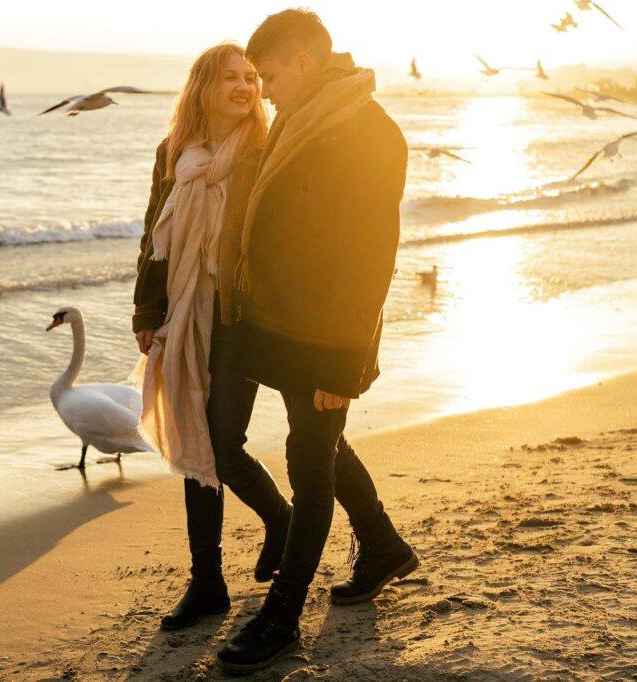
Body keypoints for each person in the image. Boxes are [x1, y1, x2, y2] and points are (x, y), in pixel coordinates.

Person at [215, 10, 418, 673]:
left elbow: (370, 257)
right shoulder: (307, 121)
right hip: (290, 326)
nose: (265, 90)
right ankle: (383, 546)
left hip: (328, 336)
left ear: (303, 62)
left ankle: (283, 616)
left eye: (270, 75)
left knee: (309, 468)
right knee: (324, 443)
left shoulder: (366, 130)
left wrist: (344, 360)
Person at [132, 42, 293, 632]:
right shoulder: (172, 153)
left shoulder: (265, 150)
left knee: (223, 446)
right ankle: (207, 583)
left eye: (252, 76)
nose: (245, 86)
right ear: (203, 85)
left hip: (240, 318)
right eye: (230, 77)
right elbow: (154, 236)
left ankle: (281, 520)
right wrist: (146, 312)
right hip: (183, 312)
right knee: (194, 447)